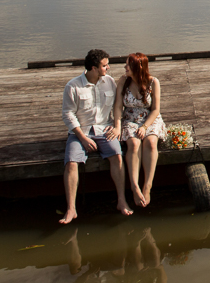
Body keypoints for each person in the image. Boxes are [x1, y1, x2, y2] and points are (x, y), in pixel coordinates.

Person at [61, 48, 133, 223]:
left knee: (117, 156)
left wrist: (117, 127)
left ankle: (121, 201)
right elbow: (68, 114)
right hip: (81, 132)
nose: (108, 68)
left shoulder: (109, 82)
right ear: (93, 68)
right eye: (105, 65)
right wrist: (83, 138)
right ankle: (71, 209)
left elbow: (118, 106)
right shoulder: (73, 86)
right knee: (71, 163)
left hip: (104, 129)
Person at [114, 52, 165, 208]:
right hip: (130, 118)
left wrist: (145, 127)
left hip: (149, 118)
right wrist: (117, 126)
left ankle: (147, 185)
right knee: (134, 145)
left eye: (128, 65)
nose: (125, 67)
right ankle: (134, 185)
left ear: (139, 66)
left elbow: (156, 109)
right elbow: (117, 106)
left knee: (150, 142)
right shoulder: (123, 81)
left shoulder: (153, 82)